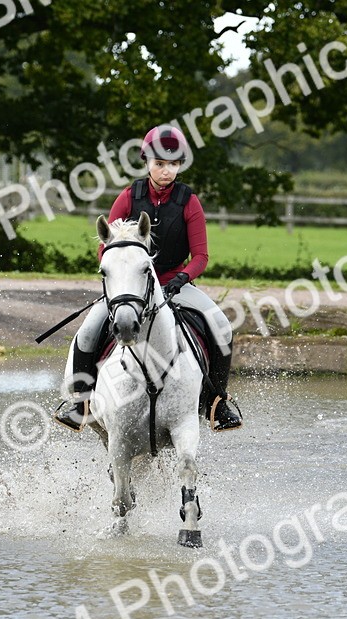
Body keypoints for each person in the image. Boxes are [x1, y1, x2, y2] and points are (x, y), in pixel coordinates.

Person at [53, 124, 243, 433]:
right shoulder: (129, 198)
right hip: (132, 289)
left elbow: (201, 257)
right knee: (87, 332)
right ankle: (80, 403)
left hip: (173, 284)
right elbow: (106, 248)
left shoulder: (188, 202)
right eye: (160, 164)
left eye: (173, 164)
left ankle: (217, 402)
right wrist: (122, 280)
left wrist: (182, 278)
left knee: (221, 325)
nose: (166, 171)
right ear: (147, 162)